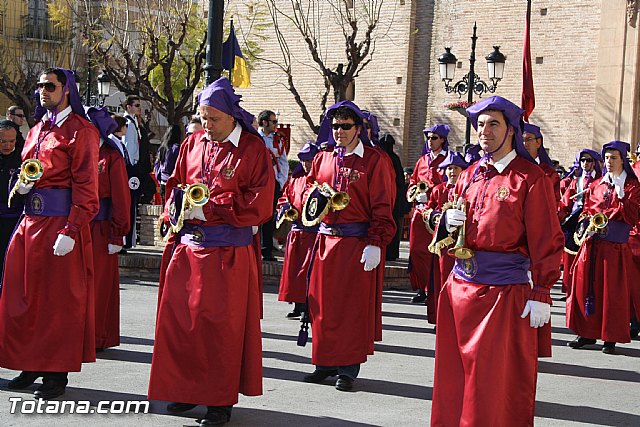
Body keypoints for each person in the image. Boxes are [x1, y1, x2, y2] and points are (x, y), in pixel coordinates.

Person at [148, 77, 274, 427]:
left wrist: (214, 210)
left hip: (226, 253)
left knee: (220, 328)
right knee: (183, 323)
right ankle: (187, 390)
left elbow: (261, 202)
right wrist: (174, 209)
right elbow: (174, 184)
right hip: (188, 247)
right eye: (203, 118)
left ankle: (219, 401)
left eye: (213, 119)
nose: (207, 125)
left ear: (231, 116)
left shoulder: (252, 149)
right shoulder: (193, 143)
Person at [429, 96, 563, 426]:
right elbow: (450, 230)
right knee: (455, 380)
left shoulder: (530, 178)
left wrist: (542, 291)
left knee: (493, 386)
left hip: (502, 295)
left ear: (511, 130)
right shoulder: (470, 174)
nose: (484, 131)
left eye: (493, 124)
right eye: (479, 125)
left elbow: (546, 236)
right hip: (460, 289)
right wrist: (446, 223)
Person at [0, 67, 99, 399]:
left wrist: (72, 229)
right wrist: (23, 186)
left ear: (66, 89)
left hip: (59, 223)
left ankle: (56, 374)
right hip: (30, 221)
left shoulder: (81, 131)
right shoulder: (36, 129)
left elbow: (87, 186)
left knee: (58, 301)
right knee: (25, 295)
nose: (43, 90)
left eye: (50, 85)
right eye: (40, 85)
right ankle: (31, 361)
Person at [301, 100, 395, 392]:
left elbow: (384, 203)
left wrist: (376, 242)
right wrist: (313, 196)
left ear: (359, 129)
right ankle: (325, 362)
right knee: (323, 306)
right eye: (335, 126)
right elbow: (306, 188)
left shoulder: (375, 160)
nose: (339, 131)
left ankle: (348, 368)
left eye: (345, 126)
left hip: (356, 243)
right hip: (326, 241)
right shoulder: (324, 158)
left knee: (351, 308)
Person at [566, 141, 640, 354]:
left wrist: (621, 195)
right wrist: (587, 223)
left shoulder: (631, 186)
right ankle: (587, 332)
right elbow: (587, 209)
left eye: (614, 158)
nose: (609, 162)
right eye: (606, 158)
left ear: (623, 160)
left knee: (612, 293)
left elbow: (633, 215)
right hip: (593, 243)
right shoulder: (596, 184)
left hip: (615, 246)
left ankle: (610, 338)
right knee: (588, 287)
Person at [85, 106, 131, 351]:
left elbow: (121, 197)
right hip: (77, 226)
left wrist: (117, 232)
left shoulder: (111, 157)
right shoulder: (77, 152)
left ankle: (97, 336)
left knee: (99, 285)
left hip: (101, 228)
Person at [423, 151, 469, 324]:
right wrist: (437, 217)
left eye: (456, 168)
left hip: (464, 247)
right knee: (442, 282)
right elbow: (427, 212)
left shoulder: (468, 190)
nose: (452, 172)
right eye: (449, 168)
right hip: (443, 247)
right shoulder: (438, 190)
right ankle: (442, 319)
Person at [277, 141, 320, 319]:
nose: (306, 164)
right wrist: (286, 208)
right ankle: (297, 304)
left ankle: (309, 306)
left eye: (309, 160)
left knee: (309, 271)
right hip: (296, 231)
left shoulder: (321, 181)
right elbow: (285, 197)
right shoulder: (295, 179)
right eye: (303, 160)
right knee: (294, 270)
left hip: (314, 232)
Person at [406, 124, 447, 303]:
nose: (430, 141)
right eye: (428, 138)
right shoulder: (422, 160)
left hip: (437, 212)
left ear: (443, 140)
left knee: (435, 252)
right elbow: (414, 181)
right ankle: (422, 287)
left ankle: (433, 289)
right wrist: (415, 191)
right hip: (420, 211)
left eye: (434, 138)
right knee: (416, 251)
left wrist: (432, 193)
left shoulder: (447, 161)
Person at [558, 149, 602, 295]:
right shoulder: (576, 181)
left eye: (588, 160)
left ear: (594, 162)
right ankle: (570, 289)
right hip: (575, 222)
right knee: (570, 256)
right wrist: (559, 218)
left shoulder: (601, 181)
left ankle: (586, 290)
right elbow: (565, 203)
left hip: (593, 222)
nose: (585, 163)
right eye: (582, 160)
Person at [258, 109, 288, 261]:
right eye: (273, 121)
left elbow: (283, 162)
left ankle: (266, 250)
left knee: (269, 217)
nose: (276, 125)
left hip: (273, 183)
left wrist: (280, 182)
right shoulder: (254, 138)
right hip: (257, 183)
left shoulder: (278, 140)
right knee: (255, 216)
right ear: (264, 122)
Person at [0, 121, 24, 278]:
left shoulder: (22, 158)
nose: (8, 145)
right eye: (2, 141)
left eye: (11, 141)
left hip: (13, 219)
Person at [378, 132, 405, 261]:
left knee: (394, 225)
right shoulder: (390, 158)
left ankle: (391, 253)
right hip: (390, 197)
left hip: (394, 198)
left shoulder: (390, 159)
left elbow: (399, 181)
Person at [122, 95, 142, 249]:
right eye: (136, 105)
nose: (139, 108)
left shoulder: (133, 123)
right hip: (130, 167)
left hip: (132, 167)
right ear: (128, 107)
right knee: (129, 204)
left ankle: (129, 240)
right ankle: (126, 240)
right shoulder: (128, 124)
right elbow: (129, 147)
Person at [523, 123, 561, 203]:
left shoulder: (549, 173)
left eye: (528, 139)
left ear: (538, 143)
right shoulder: (514, 170)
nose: (524, 144)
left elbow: (554, 203)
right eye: (521, 140)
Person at [155, 124, 183, 203]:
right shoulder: (177, 148)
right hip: (173, 182)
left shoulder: (162, 148)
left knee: (165, 208)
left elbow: (157, 165)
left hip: (163, 181)